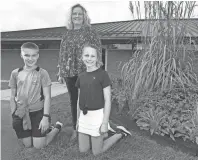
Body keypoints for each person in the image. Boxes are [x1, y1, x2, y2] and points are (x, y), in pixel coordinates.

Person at [75, 43, 131, 156]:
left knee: (97, 152)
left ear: (97, 58)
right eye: (86, 55)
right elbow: (78, 100)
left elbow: (107, 100)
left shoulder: (102, 74)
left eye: (92, 56)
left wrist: (104, 123)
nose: (89, 59)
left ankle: (120, 133)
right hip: (84, 117)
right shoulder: (81, 76)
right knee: (83, 150)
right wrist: (77, 120)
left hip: (97, 116)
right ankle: (102, 134)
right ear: (82, 57)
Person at [57, 3, 103, 140]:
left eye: (79, 14)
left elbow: (98, 51)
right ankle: (76, 128)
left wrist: (97, 70)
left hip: (86, 71)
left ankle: (90, 127)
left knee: (88, 100)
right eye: (74, 13)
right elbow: (62, 53)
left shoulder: (91, 32)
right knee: (74, 100)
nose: (77, 16)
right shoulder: (67, 34)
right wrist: (60, 71)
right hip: (69, 72)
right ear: (71, 17)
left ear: (84, 16)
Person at [9, 42, 63, 149]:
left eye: (33, 55)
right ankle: (38, 132)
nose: (30, 58)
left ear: (38, 56)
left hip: (38, 113)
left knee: (39, 146)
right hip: (22, 113)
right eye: (27, 55)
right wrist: (14, 113)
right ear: (21, 55)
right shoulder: (15, 73)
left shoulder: (42, 73)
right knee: (28, 145)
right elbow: (12, 96)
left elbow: (47, 96)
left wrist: (45, 117)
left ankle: (56, 127)